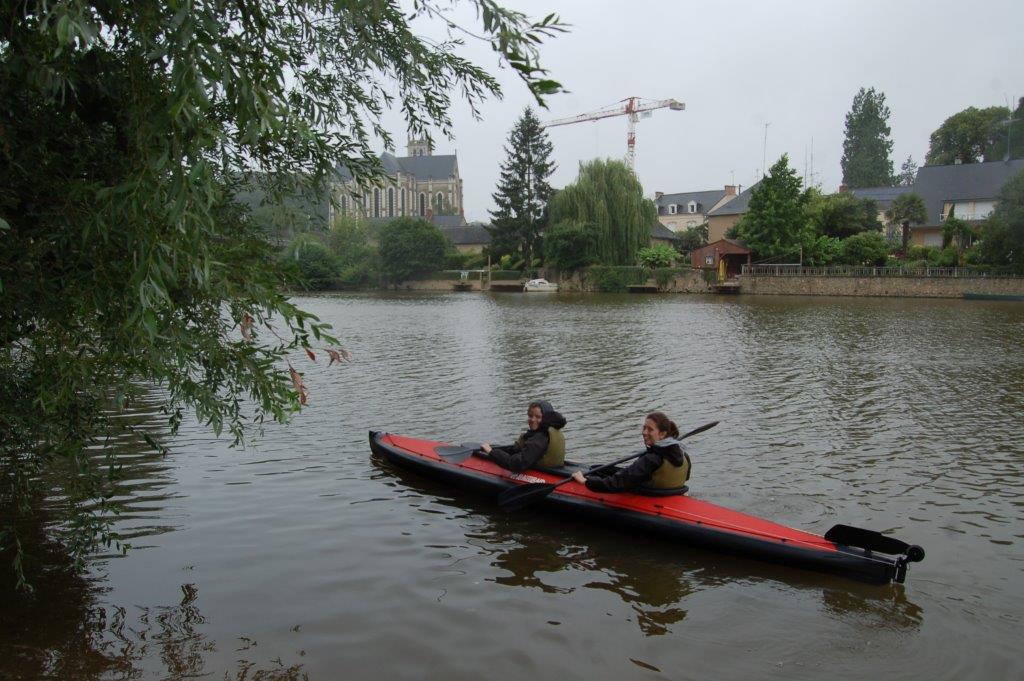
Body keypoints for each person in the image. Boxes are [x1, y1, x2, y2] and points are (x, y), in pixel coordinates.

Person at [571, 412, 689, 492]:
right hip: (670, 492)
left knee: (598, 473)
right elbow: (685, 478)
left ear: (662, 434)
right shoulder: (683, 454)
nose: (644, 432)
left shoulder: (651, 459)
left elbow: (618, 483)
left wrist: (586, 482)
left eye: (650, 429)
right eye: (644, 428)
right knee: (599, 468)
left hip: (649, 497)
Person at [479, 401, 567, 472]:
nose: (532, 420)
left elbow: (516, 464)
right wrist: (495, 449)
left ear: (547, 418)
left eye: (538, 417)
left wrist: (492, 452)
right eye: (530, 416)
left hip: (545, 475)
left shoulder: (541, 438)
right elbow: (517, 449)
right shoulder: (552, 430)